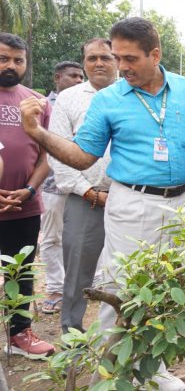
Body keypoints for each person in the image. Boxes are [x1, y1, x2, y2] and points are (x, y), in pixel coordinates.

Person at [20, 17, 185, 390]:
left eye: (130, 58)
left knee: (171, 289)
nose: (121, 67)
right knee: (122, 292)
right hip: (133, 203)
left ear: (155, 54)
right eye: (117, 57)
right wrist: (38, 133)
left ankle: (151, 370)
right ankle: (107, 379)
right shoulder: (109, 100)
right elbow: (81, 157)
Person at [48, 39, 117, 334]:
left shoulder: (132, 93)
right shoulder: (69, 99)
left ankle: (124, 335)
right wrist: (89, 192)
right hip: (85, 197)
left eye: (105, 57)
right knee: (77, 271)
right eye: (92, 58)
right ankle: (72, 336)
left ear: (117, 60)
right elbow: (59, 151)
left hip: (130, 195)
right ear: (84, 62)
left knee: (131, 269)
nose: (98, 63)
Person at [0, 32, 56, 358]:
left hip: (25, 205)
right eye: (4, 58)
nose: (11, 65)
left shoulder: (38, 101)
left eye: (18, 60)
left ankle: (19, 335)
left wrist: (30, 189)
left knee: (19, 272)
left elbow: (46, 155)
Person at [39, 60, 85, 315]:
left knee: (84, 237)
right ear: (58, 78)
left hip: (83, 185)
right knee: (53, 237)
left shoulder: (86, 102)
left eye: (81, 77)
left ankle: (87, 285)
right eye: (72, 76)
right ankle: (56, 287)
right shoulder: (44, 106)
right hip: (52, 185)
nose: (79, 80)